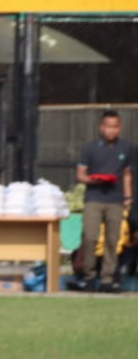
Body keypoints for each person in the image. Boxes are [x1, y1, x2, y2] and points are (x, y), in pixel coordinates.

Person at [76, 109, 132, 293]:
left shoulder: (125, 148)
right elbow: (80, 175)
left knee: (112, 240)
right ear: (101, 127)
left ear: (119, 127)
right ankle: (89, 277)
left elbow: (126, 174)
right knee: (90, 237)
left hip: (115, 200)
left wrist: (127, 196)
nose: (111, 130)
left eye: (115, 127)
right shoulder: (89, 148)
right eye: (108, 126)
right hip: (94, 198)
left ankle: (107, 279)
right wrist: (92, 180)